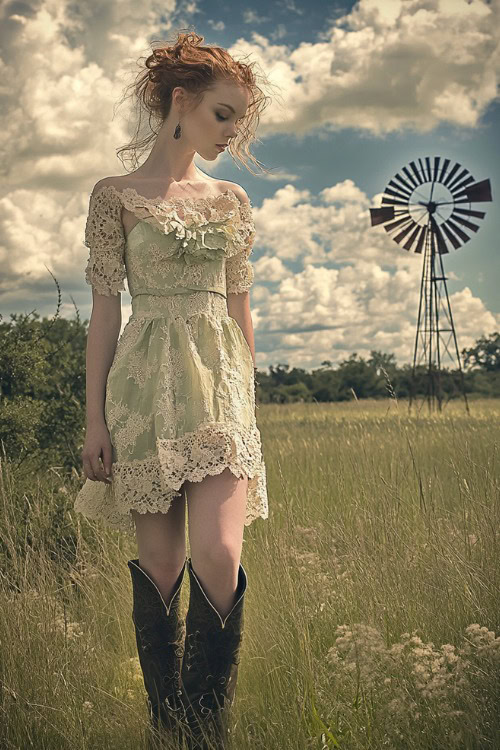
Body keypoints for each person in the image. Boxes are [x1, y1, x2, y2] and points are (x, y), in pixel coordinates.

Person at [74, 29, 272, 750]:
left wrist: (245, 406)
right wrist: (94, 421)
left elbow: (241, 309)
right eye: (225, 114)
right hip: (142, 391)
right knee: (160, 565)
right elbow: (104, 313)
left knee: (219, 553)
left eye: (240, 121)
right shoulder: (114, 196)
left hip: (219, 393)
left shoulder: (231, 200)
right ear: (180, 103)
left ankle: (207, 728)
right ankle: (171, 732)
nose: (232, 132)